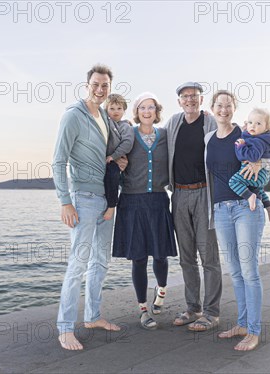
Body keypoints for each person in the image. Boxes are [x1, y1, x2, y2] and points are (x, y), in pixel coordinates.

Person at [51, 64, 121, 351]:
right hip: (82, 198)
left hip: (106, 199)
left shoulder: (105, 115)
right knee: (78, 263)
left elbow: (106, 154)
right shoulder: (73, 116)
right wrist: (65, 201)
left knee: (100, 261)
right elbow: (58, 161)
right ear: (86, 85)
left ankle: (92, 316)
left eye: (105, 85)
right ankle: (65, 328)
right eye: (95, 84)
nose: (100, 89)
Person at [204, 90, 270, 351]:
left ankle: (254, 331)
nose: (223, 109)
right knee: (235, 271)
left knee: (249, 271)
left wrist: (263, 165)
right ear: (212, 108)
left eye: (228, 105)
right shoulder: (209, 138)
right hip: (221, 209)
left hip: (246, 207)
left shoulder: (244, 133)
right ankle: (243, 323)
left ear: (234, 109)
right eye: (219, 105)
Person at [112, 92, 177, 330]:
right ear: (137, 112)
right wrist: (119, 162)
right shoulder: (127, 133)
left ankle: (161, 290)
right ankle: (142, 309)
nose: (147, 112)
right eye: (142, 108)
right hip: (131, 202)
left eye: (151, 107)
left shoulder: (166, 135)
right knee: (138, 258)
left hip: (159, 201)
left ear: (157, 111)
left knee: (160, 255)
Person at [164, 82, 222, 332]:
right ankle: (193, 308)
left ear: (201, 100)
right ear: (179, 101)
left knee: (208, 257)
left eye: (194, 96)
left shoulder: (210, 123)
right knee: (186, 258)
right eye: (185, 96)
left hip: (204, 194)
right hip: (178, 195)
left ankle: (211, 312)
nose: (190, 100)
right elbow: (152, 143)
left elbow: (229, 136)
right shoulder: (172, 123)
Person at [228, 108, 270, 222]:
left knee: (234, 182)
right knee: (259, 189)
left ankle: (250, 196)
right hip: (262, 176)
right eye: (250, 122)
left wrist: (241, 146)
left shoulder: (258, 141)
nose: (253, 126)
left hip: (254, 173)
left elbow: (252, 157)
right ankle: (269, 207)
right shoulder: (265, 139)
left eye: (258, 123)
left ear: (267, 128)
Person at [103, 94, 134, 221]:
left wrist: (113, 156)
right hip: (102, 160)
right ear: (106, 110)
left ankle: (111, 206)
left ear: (124, 110)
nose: (116, 111)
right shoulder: (105, 121)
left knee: (113, 176)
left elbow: (127, 144)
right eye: (112, 108)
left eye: (119, 108)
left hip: (115, 160)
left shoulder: (125, 126)